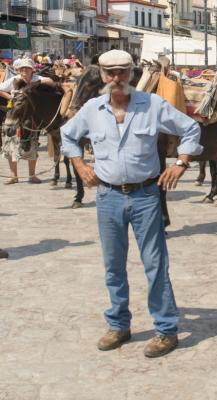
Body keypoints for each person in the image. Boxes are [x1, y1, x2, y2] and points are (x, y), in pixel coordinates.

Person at [61, 49, 203, 358]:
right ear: (101, 75)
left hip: (145, 196)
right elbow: (67, 137)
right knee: (113, 265)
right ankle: (118, 325)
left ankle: (165, 330)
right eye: (110, 72)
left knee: (155, 264)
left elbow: (191, 128)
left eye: (122, 72)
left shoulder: (151, 105)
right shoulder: (91, 109)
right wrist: (81, 167)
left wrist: (180, 162)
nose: (116, 78)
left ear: (131, 74)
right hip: (108, 196)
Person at [0, 58, 56, 184]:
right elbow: (0, 88)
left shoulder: (36, 80)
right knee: (11, 145)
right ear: (18, 70)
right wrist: (10, 97)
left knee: (32, 144)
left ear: (32, 70)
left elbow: (51, 82)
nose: (24, 70)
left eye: (27, 68)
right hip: (14, 116)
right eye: (21, 68)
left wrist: (44, 83)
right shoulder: (13, 80)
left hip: (31, 119)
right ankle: (13, 175)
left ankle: (32, 175)